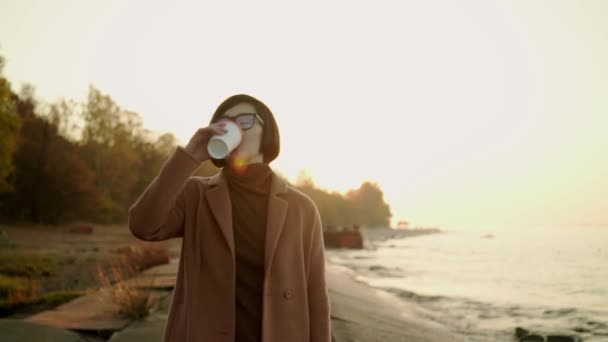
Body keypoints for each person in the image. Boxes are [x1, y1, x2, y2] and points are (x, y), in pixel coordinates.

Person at [128, 94, 332, 342]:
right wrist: (190, 155)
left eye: (244, 120)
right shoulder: (196, 195)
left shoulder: (302, 208)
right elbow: (143, 225)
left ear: (266, 132)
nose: (235, 128)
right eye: (226, 123)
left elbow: (317, 299)